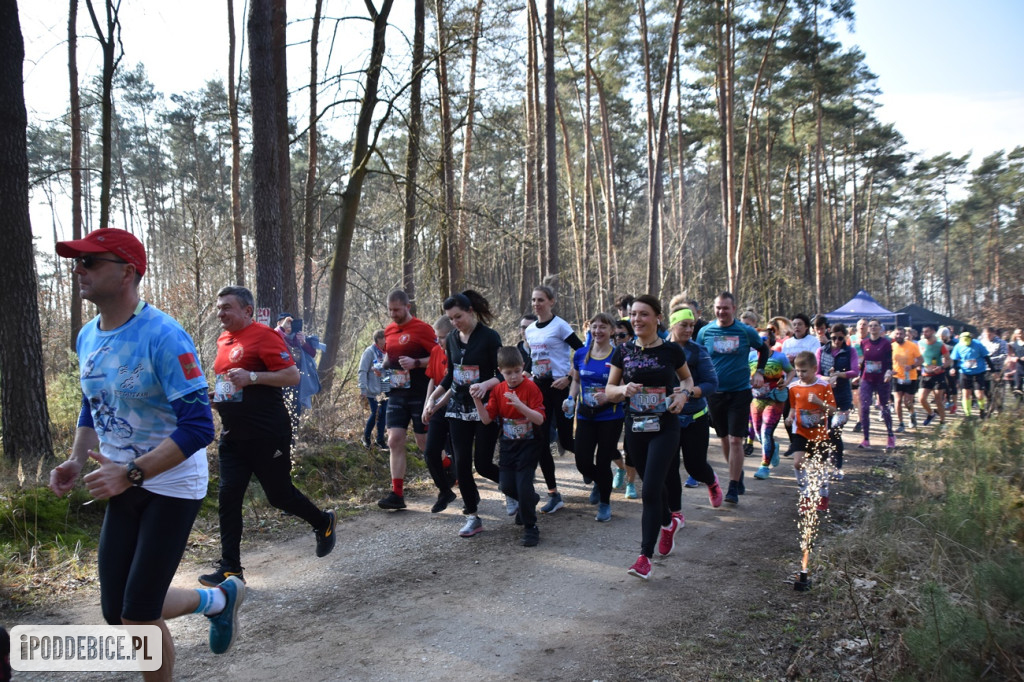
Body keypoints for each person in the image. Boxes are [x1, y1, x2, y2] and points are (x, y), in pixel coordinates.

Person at [49, 228, 241, 679]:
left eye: (91, 262)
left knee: (138, 616)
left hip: (171, 480)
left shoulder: (164, 335)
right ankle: (218, 599)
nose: (80, 270)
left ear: (127, 273)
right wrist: (78, 460)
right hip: (124, 476)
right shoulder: (87, 337)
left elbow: (199, 426)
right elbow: (93, 403)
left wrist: (129, 474)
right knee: (117, 612)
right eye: (78, 262)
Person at [204, 286, 336, 587]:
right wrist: (218, 396)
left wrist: (252, 377)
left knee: (279, 496)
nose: (220, 312)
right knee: (228, 498)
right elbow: (231, 381)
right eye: (219, 307)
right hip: (233, 435)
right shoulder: (223, 340)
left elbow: (291, 375)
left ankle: (322, 521)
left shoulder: (265, 336)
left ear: (247, 310)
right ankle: (231, 568)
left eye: (227, 307)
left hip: (267, 433)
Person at [605, 295, 694, 580]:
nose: (637, 320)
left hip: (665, 427)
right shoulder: (623, 351)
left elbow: (687, 381)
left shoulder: (670, 351)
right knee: (651, 485)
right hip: (635, 428)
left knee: (650, 490)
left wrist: (682, 396)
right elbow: (609, 389)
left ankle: (644, 557)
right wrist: (623, 391)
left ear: (657, 318)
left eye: (643, 314)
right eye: (633, 315)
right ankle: (668, 523)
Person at [428, 291, 502, 537]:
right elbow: (451, 376)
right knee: (461, 466)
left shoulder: (490, 337)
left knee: (482, 464)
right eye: (450, 318)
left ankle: (515, 489)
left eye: (458, 316)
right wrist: (433, 399)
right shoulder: (451, 339)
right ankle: (472, 515)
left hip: (484, 407)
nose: (455, 322)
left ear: (470, 311)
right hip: (458, 409)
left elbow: (502, 374)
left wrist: (485, 385)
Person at [696, 292, 768, 504]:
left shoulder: (745, 331)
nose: (721, 312)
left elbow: (763, 349)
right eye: (718, 308)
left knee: (737, 439)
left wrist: (759, 372)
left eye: (725, 308)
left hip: (739, 391)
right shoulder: (705, 332)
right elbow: (698, 356)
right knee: (725, 438)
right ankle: (738, 473)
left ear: (734, 309)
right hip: (715, 393)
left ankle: (733, 486)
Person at [473, 347, 546, 546]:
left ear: (522, 367)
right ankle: (530, 499)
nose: (513, 377)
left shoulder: (531, 388)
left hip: (529, 444)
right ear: (500, 371)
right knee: (506, 485)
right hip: (508, 445)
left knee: (523, 485)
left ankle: (531, 527)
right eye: (508, 373)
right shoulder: (498, 390)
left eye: (516, 371)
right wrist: (477, 400)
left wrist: (519, 405)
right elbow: (487, 420)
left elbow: (539, 419)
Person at [524, 285, 585, 513]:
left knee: (567, 441)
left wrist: (569, 378)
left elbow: (581, 352)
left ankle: (594, 470)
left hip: (560, 388)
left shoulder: (560, 325)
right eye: (533, 300)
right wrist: (525, 374)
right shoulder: (530, 330)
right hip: (540, 389)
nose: (536, 304)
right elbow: (534, 358)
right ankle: (553, 494)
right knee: (540, 442)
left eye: (541, 300)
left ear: (551, 301)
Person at [378, 290, 438, 509]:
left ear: (407, 307)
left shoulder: (423, 329)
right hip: (396, 392)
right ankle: (397, 494)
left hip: (420, 393)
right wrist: (382, 365)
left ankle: (450, 466)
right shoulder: (389, 330)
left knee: (424, 443)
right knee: (394, 440)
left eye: (397, 309)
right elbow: (389, 355)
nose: (393, 314)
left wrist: (416, 363)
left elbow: (439, 357)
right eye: (390, 310)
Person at [565, 313, 624, 521]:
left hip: (611, 416)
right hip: (585, 415)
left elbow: (623, 387)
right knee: (582, 461)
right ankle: (600, 481)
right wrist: (571, 398)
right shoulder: (581, 354)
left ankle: (605, 504)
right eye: (594, 327)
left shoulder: (618, 355)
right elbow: (576, 380)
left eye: (603, 327)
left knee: (603, 461)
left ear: (611, 331)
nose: (598, 331)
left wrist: (607, 397)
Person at [667, 306, 723, 510]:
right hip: (668, 418)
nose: (689, 330)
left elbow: (712, 383)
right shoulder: (660, 349)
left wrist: (687, 392)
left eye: (692, 325)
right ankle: (675, 513)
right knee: (670, 469)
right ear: (673, 325)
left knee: (695, 466)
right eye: (684, 325)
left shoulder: (698, 351)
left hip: (695, 416)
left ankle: (711, 481)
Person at [786, 351, 838, 512]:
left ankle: (823, 496)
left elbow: (833, 410)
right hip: (800, 431)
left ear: (814, 368)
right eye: (798, 371)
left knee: (819, 466)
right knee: (798, 462)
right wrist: (789, 417)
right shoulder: (793, 387)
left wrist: (819, 403)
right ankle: (806, 497)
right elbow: (794, 407)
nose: (800, 374)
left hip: (819, 433)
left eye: (804, 371)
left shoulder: (823, 386)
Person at [421, 316, 458, 513]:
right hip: (438, 407)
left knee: (458, 453)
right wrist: (428, 403)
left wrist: (434, 404)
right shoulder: (436, 351)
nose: (439, 342)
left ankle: (472, 496)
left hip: (457, 407)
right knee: (430, 452)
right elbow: (433, 380)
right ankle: (445, 491)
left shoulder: (459, 353)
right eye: (437, 338)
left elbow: (452, 385)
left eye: (442, 338)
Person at [750, 328, 794, 480]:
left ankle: (764, 466)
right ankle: (773, 449)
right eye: (758, 339)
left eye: (764, 339)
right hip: (756, 400)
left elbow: (791, 371)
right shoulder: (750, 356)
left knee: (766, 431)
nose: (760, 342)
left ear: (771, 341)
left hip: (774, 399)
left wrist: (786, 383)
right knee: (757, 432)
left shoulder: (780, 357)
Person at [816, 323, 858, 478]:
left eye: (841, 338)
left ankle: (838, 466)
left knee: (836, 431)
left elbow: (855, 371)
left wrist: (840, 374)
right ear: (829, 335)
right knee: (825, 432)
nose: (837, 341)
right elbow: (816, 372)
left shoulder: (850, 351)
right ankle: (824, 465)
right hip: (825, 397)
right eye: (834, 337)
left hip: (843, 398)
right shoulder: (821, 351)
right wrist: (827, 378)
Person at [612, 319, 640, 498]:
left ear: (631, 335)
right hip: (610, 404)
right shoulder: (609, 353)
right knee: (608, 446)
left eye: (622, 335)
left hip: (633, 406)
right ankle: (620, 469)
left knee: (630, 448)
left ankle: (631, 483)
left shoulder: (637, 353)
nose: (618, 339)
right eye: (614, 336)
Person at [857, 319, 895, 450]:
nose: (873, 328)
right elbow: (864, 362)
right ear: (868, 329)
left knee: (884, 407)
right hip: (867, 378)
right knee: (865, 407)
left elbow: (889, 361)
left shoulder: (886, 343)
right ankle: (866, 438)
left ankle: (890, 435)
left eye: (875, 326)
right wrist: (859, 376)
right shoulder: (864, 343)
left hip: (882, 379)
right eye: (871, 326)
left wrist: (889, 372)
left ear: (880, 328)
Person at [358, 330, 390, 450]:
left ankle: (380, 439)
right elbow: (362, 370)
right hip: (373, 389)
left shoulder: (387, 351)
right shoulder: (369, 352)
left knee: (383, 415)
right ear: (377, 340)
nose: (385, 342)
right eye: (383, 340)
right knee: (376, 413)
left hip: (385, 388)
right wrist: (362, 388)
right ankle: (366, 437)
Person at [950, 331, 994, 417]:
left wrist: (993, 369)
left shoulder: (978, 344)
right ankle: (968, 414)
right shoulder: (958, 346)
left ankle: (981, 410)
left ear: (971, 339)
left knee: (979, 395)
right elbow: (955, 360)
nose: (966, 343)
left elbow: (986, 357)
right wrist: (953, 368)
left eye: (967, 341)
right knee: (966, 394)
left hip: (979, 372)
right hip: (965, 372)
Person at [891, 327, 923, 432]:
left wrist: (912, 366)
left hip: (910, 376)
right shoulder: (891, 346)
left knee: (907, 402)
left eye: (901, 334)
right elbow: (888, 361)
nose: (898, 336)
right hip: (896, 376)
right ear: (894, 335)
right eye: (897, 334)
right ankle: (901, 423)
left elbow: (921, 360)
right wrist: (890, 370)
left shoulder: (912, 346)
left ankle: (912, 414)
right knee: (898, 400)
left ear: (905, 335)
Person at [918, 324, 951, 426]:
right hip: (926, 374)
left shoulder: (940, 345)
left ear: (932, 332)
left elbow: (949, 360)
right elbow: (919, 358)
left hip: (938, 375)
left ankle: (942, 422)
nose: (924, 333)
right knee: (921, 399)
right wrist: (919, 364)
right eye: (923, 332)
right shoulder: (920, 343)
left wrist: (941, 367)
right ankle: (931, 414)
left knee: (938, 399)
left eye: (927, 331)